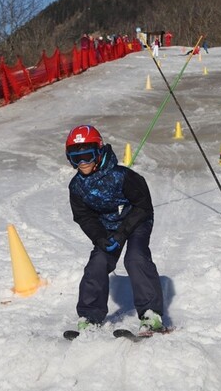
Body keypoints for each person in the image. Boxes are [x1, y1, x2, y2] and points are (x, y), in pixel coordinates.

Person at [66, 124, 165, 333]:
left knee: (135, 258)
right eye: (76, 158)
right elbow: (83, 216)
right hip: (106, 227)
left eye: (87, 156)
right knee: (98, 263)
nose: (82, 163)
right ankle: (90, 315)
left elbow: (143, 206)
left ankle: (151, 314)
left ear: (99, 152)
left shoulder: (123, 177)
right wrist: (99, 237)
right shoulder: (76, 186)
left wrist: (122, 233)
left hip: (137, 220)